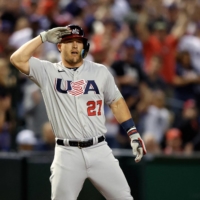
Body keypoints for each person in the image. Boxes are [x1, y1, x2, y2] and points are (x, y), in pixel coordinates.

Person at [10, 24, 146, 200]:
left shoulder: (100, 71)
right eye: (69, 41)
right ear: (59, 46)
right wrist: (43, 37)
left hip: (99, 149)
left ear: (84, 46)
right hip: (67, 153)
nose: (75, 46)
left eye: (79, 42)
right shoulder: (48, 71)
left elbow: (117, 102)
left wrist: (133, 132)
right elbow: (17, 59)